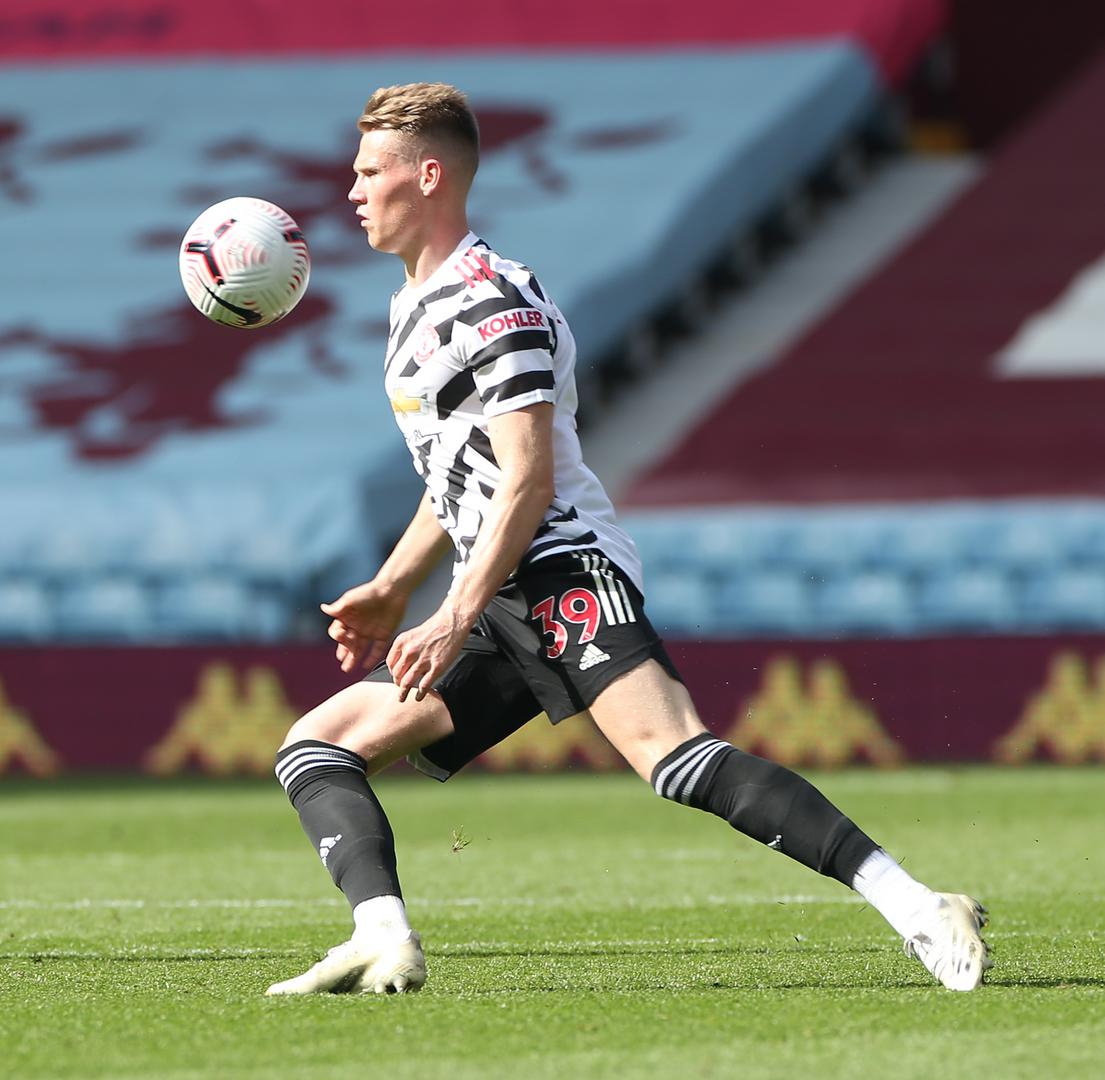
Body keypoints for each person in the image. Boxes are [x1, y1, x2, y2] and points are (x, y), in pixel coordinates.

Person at [265, 82, 990, 997]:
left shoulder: (493, 302)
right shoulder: (412, 307)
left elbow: (526, 481)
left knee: (677, 760)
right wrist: (392, 583)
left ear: (429, 174)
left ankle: (921, 906)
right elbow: (459, 476)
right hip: (493, 584)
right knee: (316, 748)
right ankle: (382, 938)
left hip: (561, 562)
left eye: (370, 170)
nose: (351, 189)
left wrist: (451, 609)